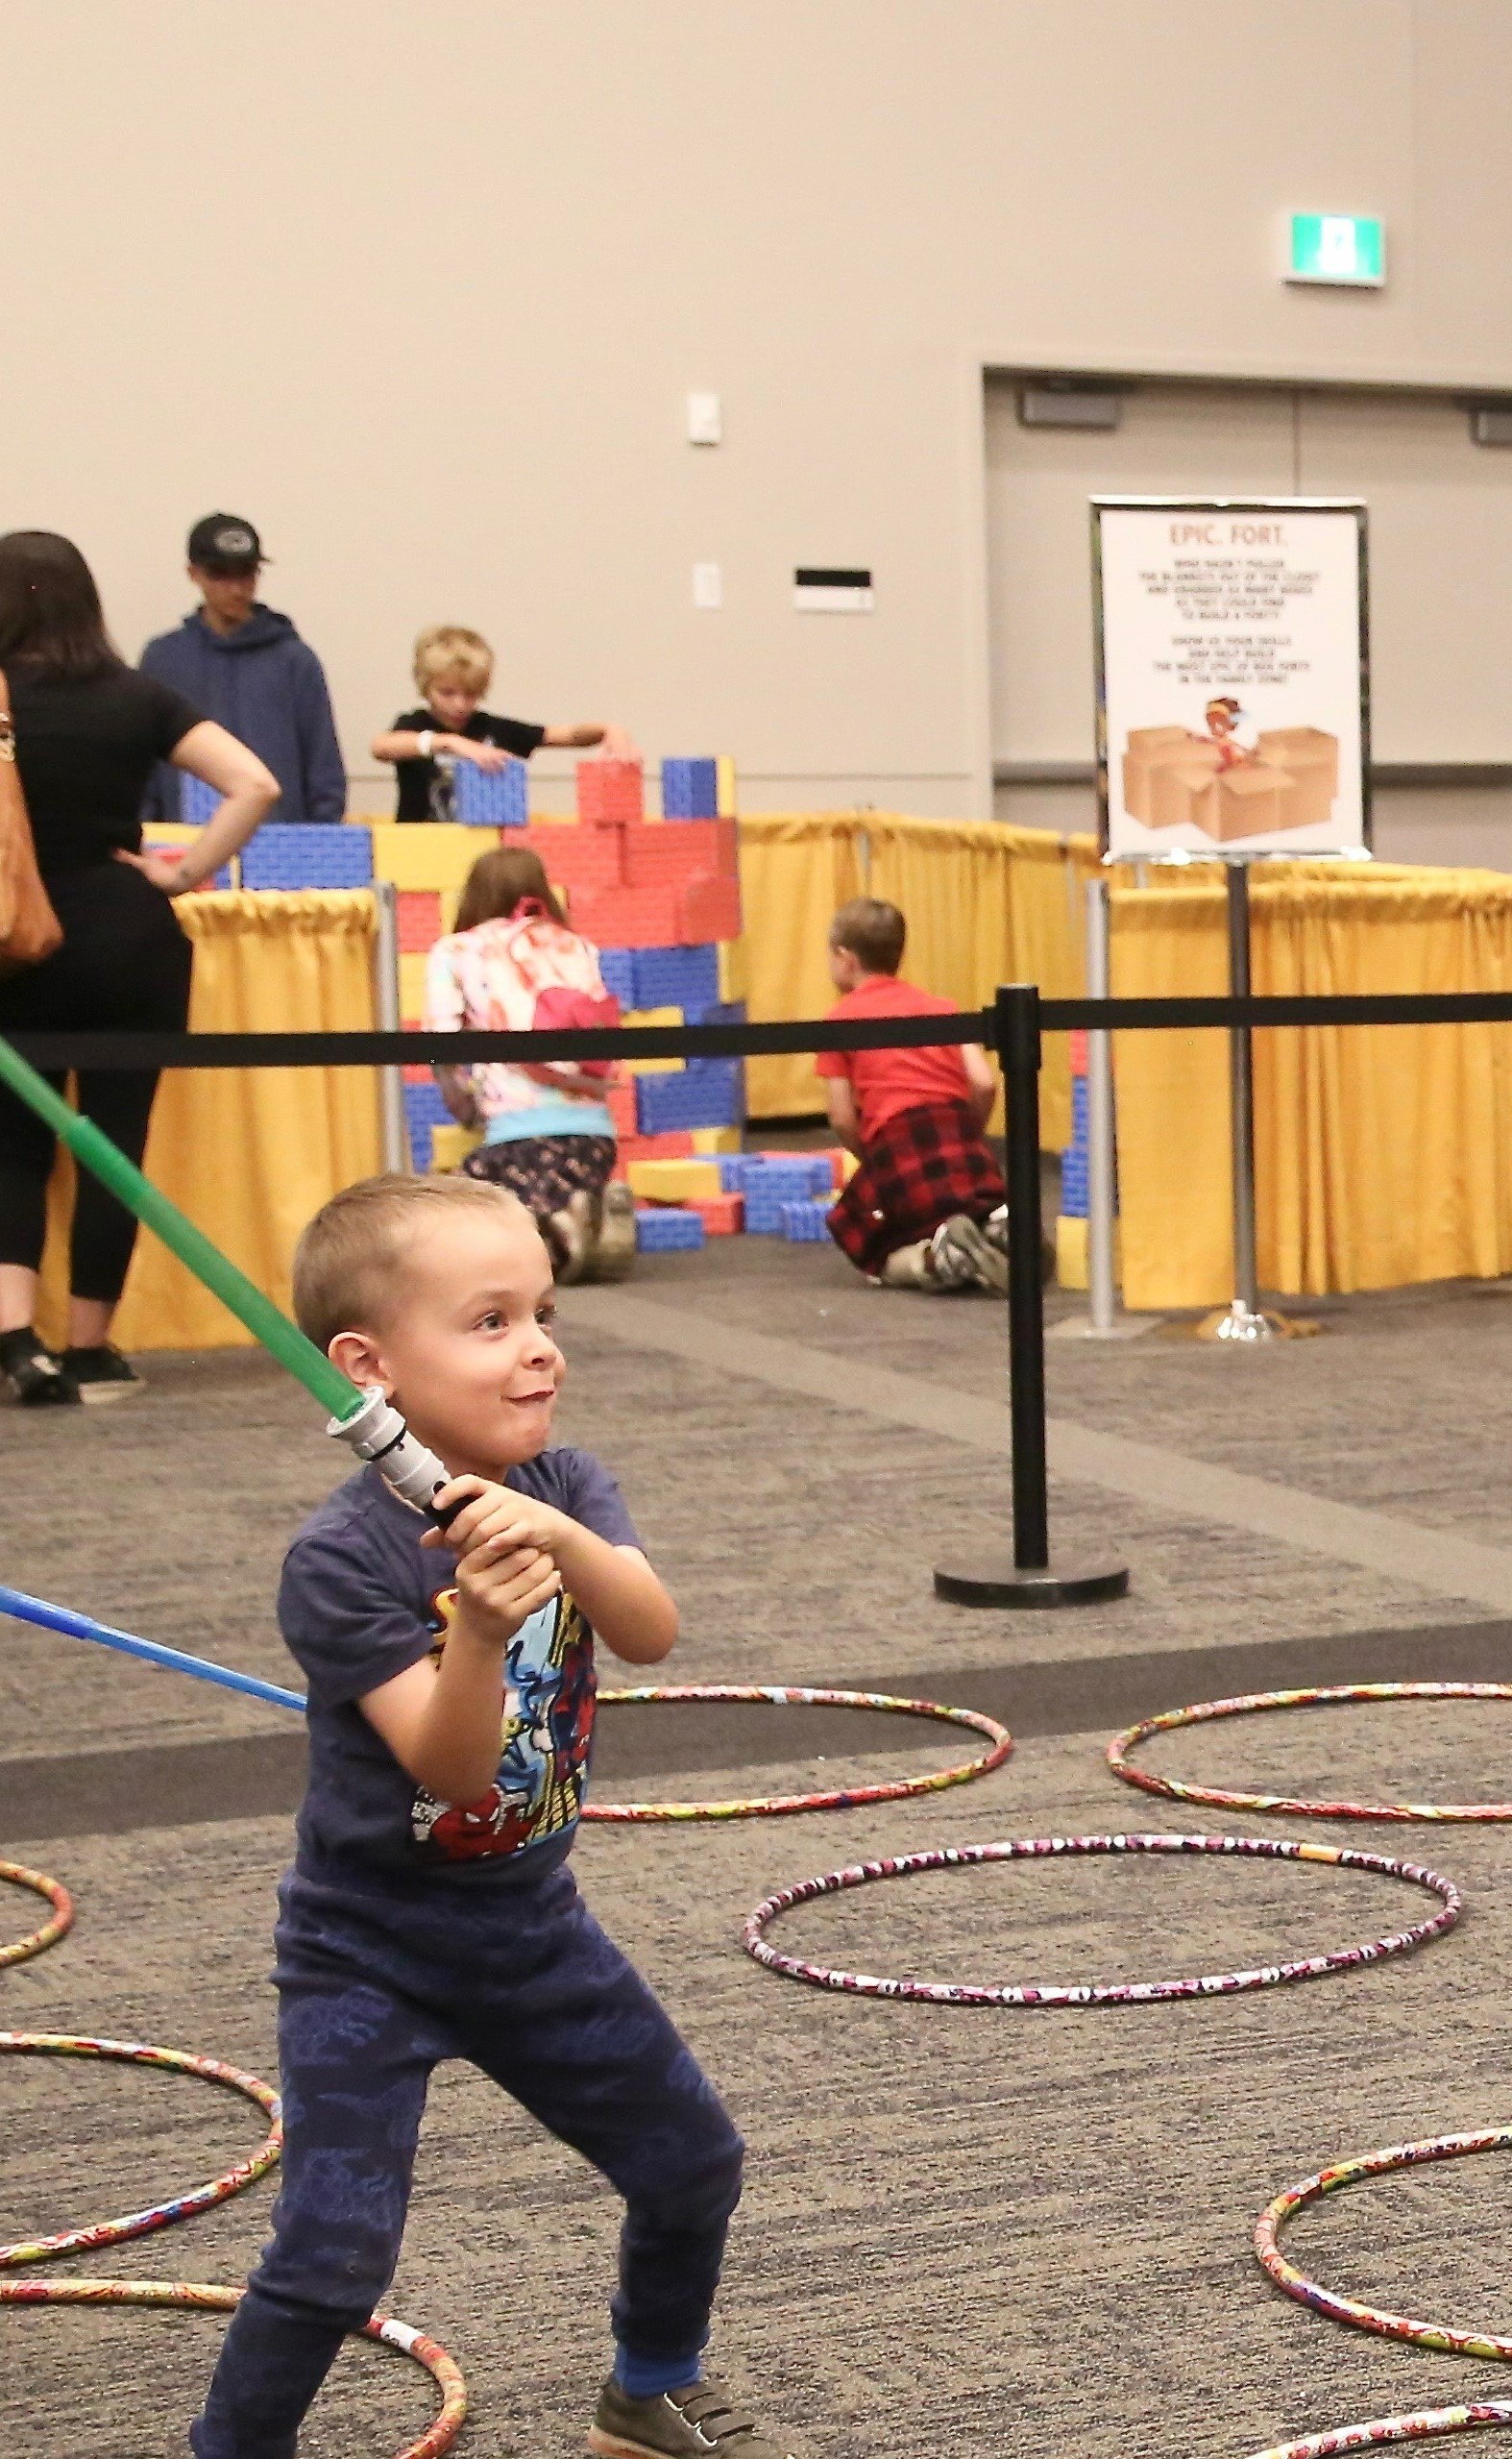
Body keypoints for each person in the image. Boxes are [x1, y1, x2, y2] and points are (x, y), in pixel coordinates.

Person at [192, 1173, 806, 2458]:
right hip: (369, 1945)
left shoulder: (567, 1479)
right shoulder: (342, 1559)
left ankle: (648, 2389)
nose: (538, 1343)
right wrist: (477, 1625)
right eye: (488, 1319)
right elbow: (455, 1767)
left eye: (541, 1307)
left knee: (693, 2157)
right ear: (367, 1367)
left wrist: (559, 1536)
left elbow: (649, 1626)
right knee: (334, 2249)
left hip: (531, 1929)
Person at [0, 530, 280, 1407]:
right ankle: (91, 1349)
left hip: (18, 943)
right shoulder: (138, 694)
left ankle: (15, 1342)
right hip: (131, 939)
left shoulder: (3, 700)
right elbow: (256, 783)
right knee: (114, 1145)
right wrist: (183, 872)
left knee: (12, 1146)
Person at [424, 846, 637, 1283]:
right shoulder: (576, 945)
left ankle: (557, 1227)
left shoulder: (456, 950)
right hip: (594, 1134)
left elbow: (441, 1037)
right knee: (540, 1200)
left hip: (516, 1136)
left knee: (466, 1212)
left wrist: (459, 1098)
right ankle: (584, 1211)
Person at [815, 896, 1009, 1292]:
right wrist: (967, 1133)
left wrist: (873, 1159)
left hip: (895, 1140)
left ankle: (935, 1260)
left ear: (845, 957)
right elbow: (985, 1083)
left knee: (871, 1245)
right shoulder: (942, 1007)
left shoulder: (838, 1021)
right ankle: (999, 1230)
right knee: (972, 1201)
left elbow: (841, 1118)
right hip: (957, 1131)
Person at [138, 513, 347, 826]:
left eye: (247, 573)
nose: (237, 589)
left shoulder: (294, 661)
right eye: (220, 574)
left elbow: (323, 770)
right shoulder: (163, 660)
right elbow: (144, 766)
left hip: (278, 849)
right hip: (184, 844)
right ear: (193, 574)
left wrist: (316, 847)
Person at [372, 625, 638, 823]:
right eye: (447, 693)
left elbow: (567, 734)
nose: (460, 704)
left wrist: (609, 730)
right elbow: (381, 747)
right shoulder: (414, 724)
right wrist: (449, 742)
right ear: (426, 687)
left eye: (471, 694)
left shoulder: (493, 729)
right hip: (418, 849)